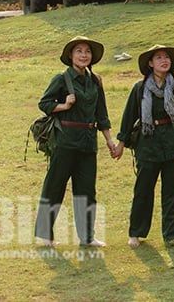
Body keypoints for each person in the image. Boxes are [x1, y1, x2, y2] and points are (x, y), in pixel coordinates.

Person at [111, 40, 174, 248]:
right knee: (143, 189)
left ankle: (172, 236)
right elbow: (128, 118)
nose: (164, 61)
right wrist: (120, 144)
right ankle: (136, 233)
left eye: (166, 57)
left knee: (173, 191)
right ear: (150, 64)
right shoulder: (140, 88)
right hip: (148, 142)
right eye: (159, 58)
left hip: (173, 141)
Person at [34, 35, 118, 247]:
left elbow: (102, 113)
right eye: (79, 51)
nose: (83, 55)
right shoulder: (62, 79)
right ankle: (45, 234)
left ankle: (87, 237)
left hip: (88, 142)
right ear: (70, 55)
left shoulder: (95, 81)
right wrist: (64, 105)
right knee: (55, 186)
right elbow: (44, 103)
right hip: (64, 141)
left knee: (87, 190)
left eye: (87, 51)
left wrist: (109, 141)